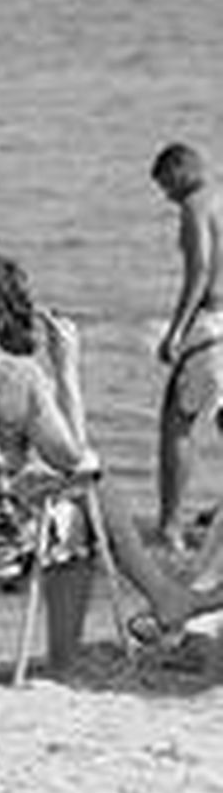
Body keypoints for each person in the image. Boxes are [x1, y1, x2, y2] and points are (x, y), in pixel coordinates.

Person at [0, 252, 223, 660]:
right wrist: (67, 369)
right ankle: (80, 650)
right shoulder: (17, 375)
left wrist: (26, 477)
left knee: (77, 498)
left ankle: (166, 599)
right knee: (92, 499)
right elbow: (78, 462)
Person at [150, 141, 223, 551]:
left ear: (180, 171)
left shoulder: (195, 206)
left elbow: (199, 273)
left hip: (211, 325)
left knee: (176, 423)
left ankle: (169, 529)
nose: (168, 197)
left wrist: (175, 332)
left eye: (166, 185)